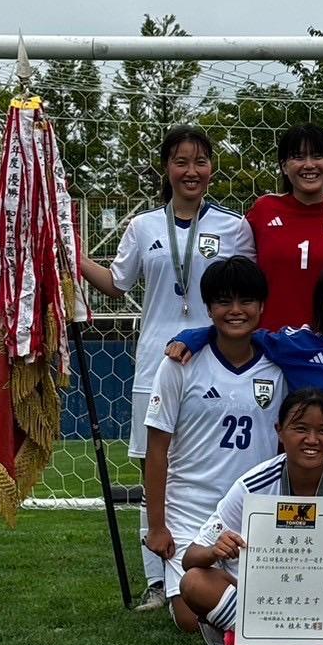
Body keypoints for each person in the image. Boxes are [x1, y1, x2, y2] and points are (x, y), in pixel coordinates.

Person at [79, 126, 254, 611]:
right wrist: (71, 258)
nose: (191, 171)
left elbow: (249, 291)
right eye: (181, 161)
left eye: (200, 162)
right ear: (167, 169)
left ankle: (226, 567)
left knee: (213, 465)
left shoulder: (235, 227)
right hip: (157, 365)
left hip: (216, 362)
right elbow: (117, 284)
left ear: (212, 169)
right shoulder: (142, 227)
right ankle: (159, 581)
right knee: (154, 471)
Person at [166, 256, 323, 564]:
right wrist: (194, 336)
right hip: (319, 493)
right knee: (311, 576)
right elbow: (238, 330)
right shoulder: (298, 346)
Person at [179, 387, 323, 645]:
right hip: (258, 599)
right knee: (194, 581)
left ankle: (251, 637)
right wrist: (214, 551)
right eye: (300, 429)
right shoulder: (251, 485)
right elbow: (190, 558)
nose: (312, 439)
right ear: (279, 431)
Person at [144, 257, 285, 633]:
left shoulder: (281, 366)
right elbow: (156, 449)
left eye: (246, 301)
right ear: (208, 308)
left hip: (254, 513)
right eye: (224, 302)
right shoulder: (179, 363)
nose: (235, 310)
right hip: (191, 513)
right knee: (192, 620)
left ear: (262, 306)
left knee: (247, 605)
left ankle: (247, 616)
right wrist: (157, 526)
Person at [245, 122, 323, 331]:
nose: (309, 165)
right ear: (284, 166)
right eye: (298, 157)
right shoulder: (263, 210)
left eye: (318, 156)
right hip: (271, 340)